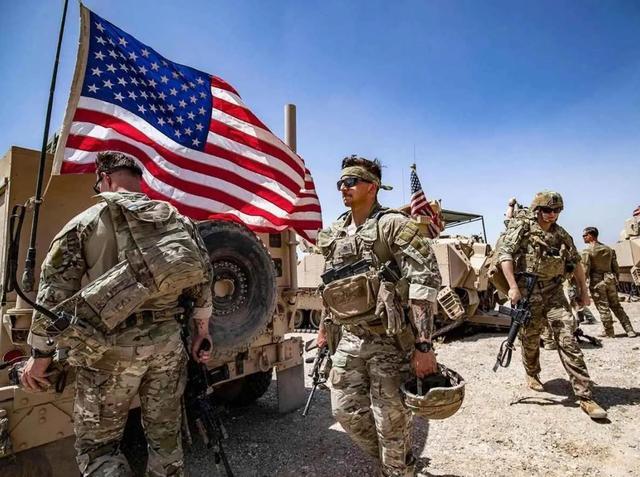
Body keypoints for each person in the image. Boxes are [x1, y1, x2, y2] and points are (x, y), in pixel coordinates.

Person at [20, 151, 214, 476]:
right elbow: (204, 278)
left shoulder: (86, 222)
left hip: (108, 352)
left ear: (105, 179)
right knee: (165, 439)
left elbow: (53, 294)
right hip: (168, 348)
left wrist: (40, 357)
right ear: (138, 180)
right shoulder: (177, 221)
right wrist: (202, 333)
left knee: (99, 449)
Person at [315, 155, 442, 477]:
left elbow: (423, 282)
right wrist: (323, 330)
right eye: (340, 183)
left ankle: (396, 467)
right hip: (350, 337)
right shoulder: (336, 232)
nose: (343, 187)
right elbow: (330, 286)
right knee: (345, 410)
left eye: (351, 182)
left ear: (372, 187)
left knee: (391, 422)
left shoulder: (394, 225)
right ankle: (399, 461)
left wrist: (424, 345)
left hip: (390, 339)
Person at [498, 191, 607, 419]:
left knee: (568, 338)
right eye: (548, 210)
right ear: (538, 210)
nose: (552, 214)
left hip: (554, 291)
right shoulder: (523, 228)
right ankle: (532, 372)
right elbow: (505, 254)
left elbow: (576, 263)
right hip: (528, 291)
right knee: (530, 338)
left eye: (557, 210)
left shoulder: (561, 234)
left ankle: (585, 396)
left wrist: (584, 291)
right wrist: (513, 287)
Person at [581, 226, 636, 338]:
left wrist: (583, 285)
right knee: (616, 306)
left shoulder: (587, 251)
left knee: (603, 307)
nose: (583, 238)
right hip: (610, 280)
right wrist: (616, 280)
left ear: (590, 236)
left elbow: (585, 270)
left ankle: (609, 332)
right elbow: (615, 267)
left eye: (585, 235)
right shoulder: (608, 249)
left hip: (597, 282)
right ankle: (629, 330)